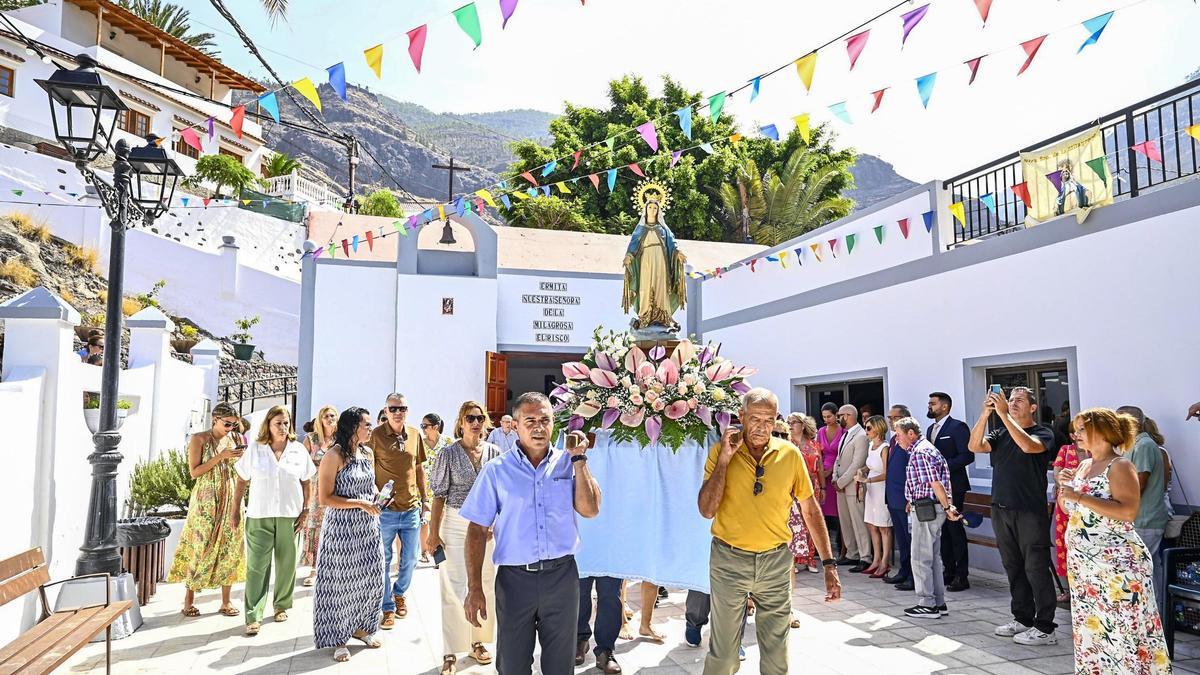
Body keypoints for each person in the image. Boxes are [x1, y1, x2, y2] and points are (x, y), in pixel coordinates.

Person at [697, 387, 840, 675]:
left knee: (776, 658)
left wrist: (828, 563)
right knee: (724, 657)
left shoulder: (790, 454)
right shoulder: (720, 451)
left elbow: (810, 509)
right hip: (729, 561)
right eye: (755, 419)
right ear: (741, 416)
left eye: (768, 420)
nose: (762, 427)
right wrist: (725, 458)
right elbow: (706, 509)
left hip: (775, 562)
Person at [460, 392, 601, 674]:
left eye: (545, 420)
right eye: (530, 421)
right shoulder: (496, 470)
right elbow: (476, 530)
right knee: (512, 665)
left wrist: (580, 460)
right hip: (515, 581)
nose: (538, 427)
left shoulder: (569, 462)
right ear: (515, 425)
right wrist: (474, 587)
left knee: (560, 667)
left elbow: (590, 510)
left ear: (554, 424)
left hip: (562, 578)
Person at [1057, 408, 1171, 673]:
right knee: (1095, 631)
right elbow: (1070, 510)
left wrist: (1079, 497)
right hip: (1086, 567)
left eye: (1083, 429)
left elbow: (1128, 511)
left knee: (1122, 629)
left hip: (1116, 565)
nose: (1076, 434)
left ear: (1103, 432)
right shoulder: (1084, 465)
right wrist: (1064, 489)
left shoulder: (1119, 465)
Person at [968, 386, 1058, 646]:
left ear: (1033, 407)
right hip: (1001, 508)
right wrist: (986, 414)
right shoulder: (999, 432)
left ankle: (1046, 627)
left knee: (1036, 567)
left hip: (1029, 510)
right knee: (1014, 567)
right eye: (1010, 400)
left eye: (1020, 400)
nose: (1013, 403)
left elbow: (1030, 447)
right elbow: (975, 445)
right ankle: (1023, 618)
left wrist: (1004, 415)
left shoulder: (1043, 432)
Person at [427, 402, 501, 675]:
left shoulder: (494, 452)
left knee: (485, 583)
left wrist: (496, 521)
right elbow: (438, 496)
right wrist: (433, 533)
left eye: (480, 418)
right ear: (460, 421)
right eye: (470, 418)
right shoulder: (448, 453)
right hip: (456, 524)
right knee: (454, 587)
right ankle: (450, 650)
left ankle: (477, 642)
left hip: (486, 526)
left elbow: (501, 493)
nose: (475, 422)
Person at [232, 405, 315, 636]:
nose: (283, 427)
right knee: (257, 566)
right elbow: (241, 480)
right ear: (268, 424)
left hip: (291, 515)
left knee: (288, 564)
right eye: (278, 422)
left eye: (286, 422)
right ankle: (253, 615)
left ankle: (281, 605)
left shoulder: (298, 450)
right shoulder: (256, 449)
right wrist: (234, 511)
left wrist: (306, 509)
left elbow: (307, 481)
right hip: (259, 515)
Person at [312, 407, 385, 662]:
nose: (371, 427)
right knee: (342, 583)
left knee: (371, 578)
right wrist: (360, 503)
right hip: (341, 531)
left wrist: (378, 495)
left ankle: (362, 627)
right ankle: (339, 638)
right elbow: (325, 497)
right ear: (353, 426)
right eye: (366, 423)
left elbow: (370, 484)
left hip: (368, 528)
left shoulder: (367, 452)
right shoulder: (334, 455)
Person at [167, 402, 247, 618]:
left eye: (234, 424)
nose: (231, 427)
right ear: (215, 419)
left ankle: (226, 601)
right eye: (227, 423)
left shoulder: (236, 439)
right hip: (206, 499)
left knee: (230, 547)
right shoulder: (199, 439)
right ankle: (188, 601)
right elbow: (194, 472)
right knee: (200, 545)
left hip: (231, 497)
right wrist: (221, 456)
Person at [893, 416, 961, 618]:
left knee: (921, 558)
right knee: (932, 557)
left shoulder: (920, 452)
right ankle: (938, 602)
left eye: (898, 435)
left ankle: (927, 603)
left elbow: (935, 484)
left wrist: (948, 507)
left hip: (927, 510)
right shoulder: (925, 449)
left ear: (911, 433)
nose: (896, 440)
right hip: (928, 507)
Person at [369, 392, 428, 629]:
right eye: (393, 409)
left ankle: (399, 592)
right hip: (386, 511)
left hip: (412, 507)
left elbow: (419, 468)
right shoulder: (375, 435)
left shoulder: (414, 434)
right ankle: (387, 607)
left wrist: (425, 499)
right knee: (383, 560)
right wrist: (374, 496)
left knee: (411, 558)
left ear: (407, 410)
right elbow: (368, 467)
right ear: (385, 411)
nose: (397, 412)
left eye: (401, 408)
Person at [926, 392, 974, 592]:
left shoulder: (957, 427)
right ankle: (948, 570)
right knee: (942, 530)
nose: (929, 406)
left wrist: (943, 467)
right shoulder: (930, 429)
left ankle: (962, 576)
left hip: (954, 486)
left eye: (933, 403)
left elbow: (967, 456)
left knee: (955, 530)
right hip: (937, 488)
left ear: (944, 406)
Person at [1115, 406, 1170, 565]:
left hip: (1145, 520)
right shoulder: (1134, 445)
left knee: (1141, 568)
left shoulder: (1143, 445)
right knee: (1150, 567)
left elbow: (1138, 485)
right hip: (1139, 519)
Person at [300, 405, 338, 587]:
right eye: (326, 416)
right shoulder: (311, 439)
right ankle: (314, 567)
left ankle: (331, 566)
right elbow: (300, 466)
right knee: (315, 527)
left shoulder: (340, 440)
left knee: (333, 526)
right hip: (315, 488)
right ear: (320, 419)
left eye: (332, 415)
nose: (330, 418)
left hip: (334, 486)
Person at [831, 404, 871, 572]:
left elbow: (857, 464)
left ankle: (865, 556)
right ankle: (851, 553)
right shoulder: (846, 434)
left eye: (840, 415)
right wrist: (834, 477)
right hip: (841, 485)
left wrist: (840, 482)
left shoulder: (861, 435)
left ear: (848, 415)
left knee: (858, 521)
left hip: (853, 485)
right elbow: (838, 459)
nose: (838, 418)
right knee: (846, 522)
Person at [1051, 430, 1087, 602]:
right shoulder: (1065, 450)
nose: (1078, 434)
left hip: (1086, 505)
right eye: (1075, 431)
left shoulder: (1096, 454)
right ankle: (1069, 589)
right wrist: (1065, 484)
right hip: (1065, 503)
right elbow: (1057, 474)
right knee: (1065, 543)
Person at [787, 412, 824, 575]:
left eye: (793, 422)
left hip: (813, 487)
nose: (790, 425)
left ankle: (810, 558)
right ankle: (792, 560)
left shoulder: (814, 444)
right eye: (788, 422)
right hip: (793, 488)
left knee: (811, 522)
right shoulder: (787, 444)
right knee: (794, 524)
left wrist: (823, 487)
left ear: (802, 425)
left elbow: (820, 467)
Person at [857, 415, 892, 579]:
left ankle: (885, 562)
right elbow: (870, 465)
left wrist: (868, 479)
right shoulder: (871, 446)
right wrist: (862, 470)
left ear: (878, 428)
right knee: (872, 525)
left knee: (883, 526)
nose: (866, 431)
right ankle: (876, 559)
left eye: (869, 428)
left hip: (881, 489)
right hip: (870, 489)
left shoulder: (885, 447)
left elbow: (886, 473)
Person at [884, 405, 914, 590]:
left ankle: (912, 576)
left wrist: (910, 497)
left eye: (894, 418)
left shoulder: (910, 441)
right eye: (889, 418)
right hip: (893, 496)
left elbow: (912, 471)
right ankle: (903, 571)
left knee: (911, 540)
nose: (891, 421)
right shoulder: (894, 440)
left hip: (905, 498)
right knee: (902, 539)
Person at [419, 413, 452, 564]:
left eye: (425, 426)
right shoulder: (420, 443)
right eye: (422, 426)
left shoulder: (448, 442)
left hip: (443, 489)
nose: (423, 429)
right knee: (425, 521)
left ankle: (439, 555)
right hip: (425, 488)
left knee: (439, 520)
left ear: (435, 427)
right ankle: (424, 551)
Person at [816, 402, 844, 556]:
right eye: (824, 417)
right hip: (822, 474)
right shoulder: (820, 431)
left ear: (836, 415)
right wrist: (821, 472)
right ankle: (823, 548)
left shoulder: (844, 432)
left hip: (837, 473)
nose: (826, 419)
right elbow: (818, 453)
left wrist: (831, 471)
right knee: (822, 511)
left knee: (839, 513)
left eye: (829, 416)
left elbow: (843, 456)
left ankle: (842, 548)